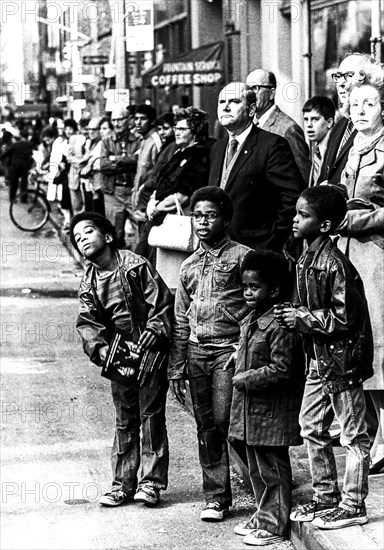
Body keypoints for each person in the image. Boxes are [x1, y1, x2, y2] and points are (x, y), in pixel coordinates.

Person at [277, 186, 373, 529]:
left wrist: (301, 318)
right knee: (311, 427)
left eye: (304, 216)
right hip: (319, 360)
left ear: (326, 225)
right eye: (296, 213)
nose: (295, 220)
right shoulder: (306, 258)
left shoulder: (333, 264)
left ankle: (353, 503)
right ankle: (326, 496)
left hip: (341, 361)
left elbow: (345, 317)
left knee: (353, 435)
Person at [70, 212, 174, 508]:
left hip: (149, 351)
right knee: (124, 419)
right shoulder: (89, 281)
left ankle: (151, 483)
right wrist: (99, 347)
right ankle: (122, 484)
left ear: (107, 236)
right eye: (77, 238)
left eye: (88, 231)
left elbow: (162, 303)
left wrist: (156, 329)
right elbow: (87, 321)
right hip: (119, 357)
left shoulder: (135, 266)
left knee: (151, 416)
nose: (83, 239)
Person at [168, 187, 251, 522]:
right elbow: (179, 319)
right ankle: (216, 498)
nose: (202, 222)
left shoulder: (243, 256)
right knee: (206, 427)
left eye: (211, 215)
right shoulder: (188, 265)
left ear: (226, 219)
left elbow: (256, 307)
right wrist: (176, 367)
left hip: (227, 352)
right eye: (197, 216)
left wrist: (242, 346)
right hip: (196, 353)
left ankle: (266, 487)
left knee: (225, 420)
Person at [229, 249, 304, 546]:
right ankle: (264, 516)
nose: (247, 292)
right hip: (253, 411)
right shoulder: (252, 318)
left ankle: (274, 525)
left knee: (272, 469)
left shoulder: (280, 325)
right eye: (245, 286)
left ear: (273, 290)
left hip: (272, 412)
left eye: (254, 287)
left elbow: (283, 369)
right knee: (258, 468)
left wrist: (245, 378)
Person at [337, 71, 384, 476]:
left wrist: (358, 221)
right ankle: (367, 437)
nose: (361, 111)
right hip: (351, 258)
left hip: (379, 258)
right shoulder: (354, 145)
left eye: (369, 104)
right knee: (360, 340)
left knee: (382, 344)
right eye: (355, 105)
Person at [209, 81, 304, 252]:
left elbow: (291, 197)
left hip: (256, 251)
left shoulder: (272, 145)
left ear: (252, 110)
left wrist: (271, 242)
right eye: (221, 102)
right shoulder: (217, 148)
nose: (226, 108)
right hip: (219, 248)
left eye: (234, 102)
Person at [137, 107, 210, 267]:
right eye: (176, 128)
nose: (177, 132)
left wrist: (157, 207)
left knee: (160, 266)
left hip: (171, 218)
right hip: (160, 216)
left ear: (195, 131)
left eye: (182, 129)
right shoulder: (180, 152)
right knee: (145, 259)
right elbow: (162, 181)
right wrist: (152, 200)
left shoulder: (199, 155)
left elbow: (185, 194)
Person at [246, 69, 311, 185]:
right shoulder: (249, 126)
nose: (251, 94)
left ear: (271, 93)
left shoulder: (288, 129)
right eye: (248, 89)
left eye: (255, 88)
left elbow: (303, 177)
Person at [319, 53, 375, 184]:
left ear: (369, 80)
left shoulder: (375, 125)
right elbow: (324, 176)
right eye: (338, 76)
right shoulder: (340, 124)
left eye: (349, 76)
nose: (341, 84)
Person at [100, 104, 141, 248]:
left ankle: (137, 263)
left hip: (132, 191)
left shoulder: (138, 140)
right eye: (114, 120)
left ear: (128, 120)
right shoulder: (107, 141)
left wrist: (115, 159)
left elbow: (138, 162)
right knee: (114, 232)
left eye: (120, 119)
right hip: (113, 191)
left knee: (139, 230)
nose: (117, 123)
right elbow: (103, 166)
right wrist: (128, 161)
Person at [132, 104, 162, 240]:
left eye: (142, 119)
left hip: (148, 205)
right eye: (136, 119)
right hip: (140, 203)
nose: (138, 123)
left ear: (152, 121)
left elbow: (158, 174)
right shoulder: (144, 141)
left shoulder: (155, 142)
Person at [46, 118, 77, 230]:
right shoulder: (61, 141)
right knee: (64, 198)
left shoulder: (77, 140)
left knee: (74, 199)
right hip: (64, 174)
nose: (68, 131)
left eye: (71, 129)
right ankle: (68, 221)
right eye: (67, 129)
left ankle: (73, 222)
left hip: (74, 173)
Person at [302, 96, 335, 186]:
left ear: (329, 123)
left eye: (315, 119)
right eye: (306, 119)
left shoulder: (335, 150)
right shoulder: (317, 150)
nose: (309, 125)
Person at [0, 127, 34, 201]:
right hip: (25, 165)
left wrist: (2, 157)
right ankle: (23, 198)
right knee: (24, 183)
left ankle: (12, 198)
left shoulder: (16, 144)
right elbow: (31, 154)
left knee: (14, 183)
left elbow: (7, 153)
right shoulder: (29, 144)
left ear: (21, 136)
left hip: (15, 165)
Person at [79, 118, 105, 215]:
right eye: (89, 129)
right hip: (89, 184)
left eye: (94, 130)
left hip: (98, 184)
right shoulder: (89, 142)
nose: (91, 132)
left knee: (98, 212)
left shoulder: (102, 143)